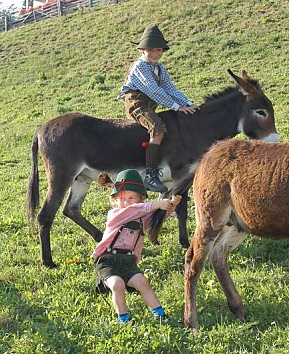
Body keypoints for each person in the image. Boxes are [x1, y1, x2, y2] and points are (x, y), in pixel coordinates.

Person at [92, 169, 182, 324]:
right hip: (107, 261)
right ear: (114, 201)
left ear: (141, 199)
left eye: (131, 198)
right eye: (121, 198)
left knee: (143, 282)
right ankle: (124, 318)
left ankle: (159, 314)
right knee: (117, 285)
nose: (125, 201)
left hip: (128, 262)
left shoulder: (141, 218)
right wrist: (155, 204)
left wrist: (170, 206)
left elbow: (155, 217)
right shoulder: (115, 215)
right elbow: (133, 210)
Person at [118, 23, 199, 193]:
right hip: (137, 104)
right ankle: (150, 175)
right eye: (151, 50)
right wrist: (176, 107)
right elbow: (155, 91)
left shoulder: (160, 69)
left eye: (159, 50)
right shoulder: (140, 67)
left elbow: (170, 89)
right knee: (158, 129)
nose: (155, 53)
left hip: (150, 105)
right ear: (142, 50)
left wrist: (187, 103)